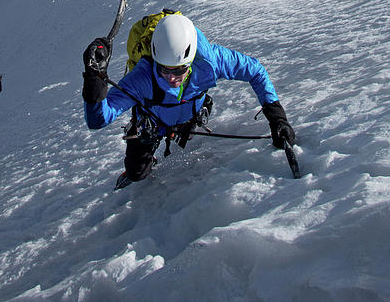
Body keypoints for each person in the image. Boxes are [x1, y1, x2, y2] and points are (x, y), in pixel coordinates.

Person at [82, 12, 295, 184]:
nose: (172, 78)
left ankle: (187, 122)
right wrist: (94, 82)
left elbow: (256, 71)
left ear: (192, 59)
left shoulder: (210, 62)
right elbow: (98, 120)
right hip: (154, 122)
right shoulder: (142, 78)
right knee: (137, 173)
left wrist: (278, 118)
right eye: (164, 70)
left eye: (179, 70)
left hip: (188, 115)